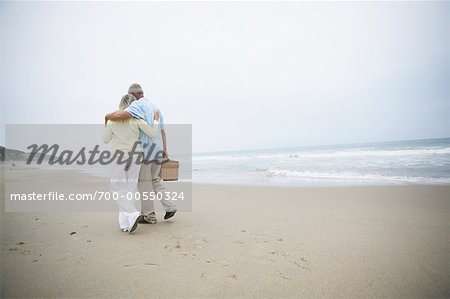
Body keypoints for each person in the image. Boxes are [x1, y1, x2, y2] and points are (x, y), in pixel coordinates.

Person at [104, 83, 177, 224]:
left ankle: (149, 216)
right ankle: (170, 206)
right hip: (158, 149)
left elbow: (120, 115)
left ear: (133, 95)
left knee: (144, 184)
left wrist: (107, 117)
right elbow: (162, 131)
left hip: (144, 150)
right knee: (156, 180)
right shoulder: (156, 108)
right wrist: (165, 150)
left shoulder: (137, 106)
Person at [103, 94, 160, 233]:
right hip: (136, 155)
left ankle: (133, 213)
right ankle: (126, 223)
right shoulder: (137, 119)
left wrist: (107, 123)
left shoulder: (113, 121)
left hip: (120, 156)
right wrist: (155, 120)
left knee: (117, 188)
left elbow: (105, 139)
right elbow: (153, 134)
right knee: (129, 188)